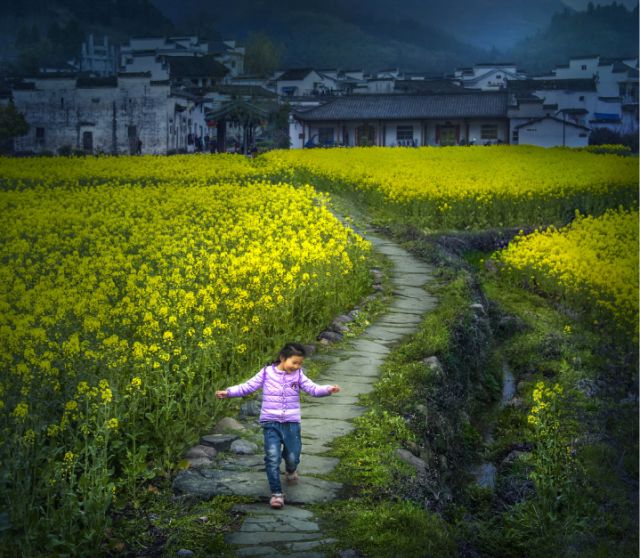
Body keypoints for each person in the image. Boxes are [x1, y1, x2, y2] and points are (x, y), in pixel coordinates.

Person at [216, 343, 340, 509]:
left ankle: (290, 470)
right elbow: (248, 386)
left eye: (300, 363)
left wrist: (327, 389)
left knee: (293, 456)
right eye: (294, 362)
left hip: (291, 423)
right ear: (282, 358)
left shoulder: (298, 375)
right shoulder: (267, 373)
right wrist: (229, 392)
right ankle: (276, 493)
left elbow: (312, 388)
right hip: (270, 422)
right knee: (272, 457)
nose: (297, 366)